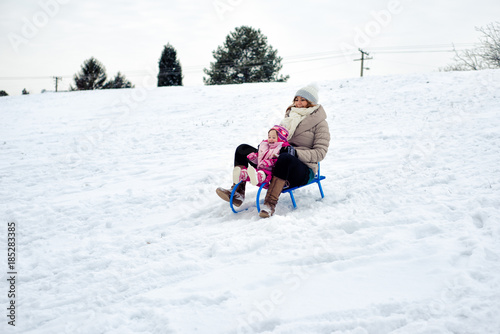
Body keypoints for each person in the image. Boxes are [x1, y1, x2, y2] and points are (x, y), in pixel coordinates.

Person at [216, 84, 330, 218]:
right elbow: (278, 139)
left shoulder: (320, 124)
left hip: (303, 169)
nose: (298, 103)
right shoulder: (289, 118)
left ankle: (269, 204)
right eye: (296, 99)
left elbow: (320, 153)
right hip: (277, 161)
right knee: (243, 149)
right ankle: (237, 193)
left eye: (303, 100)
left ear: (311, 103)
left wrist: (295, 153)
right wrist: (266, 147)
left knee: (285, 157)